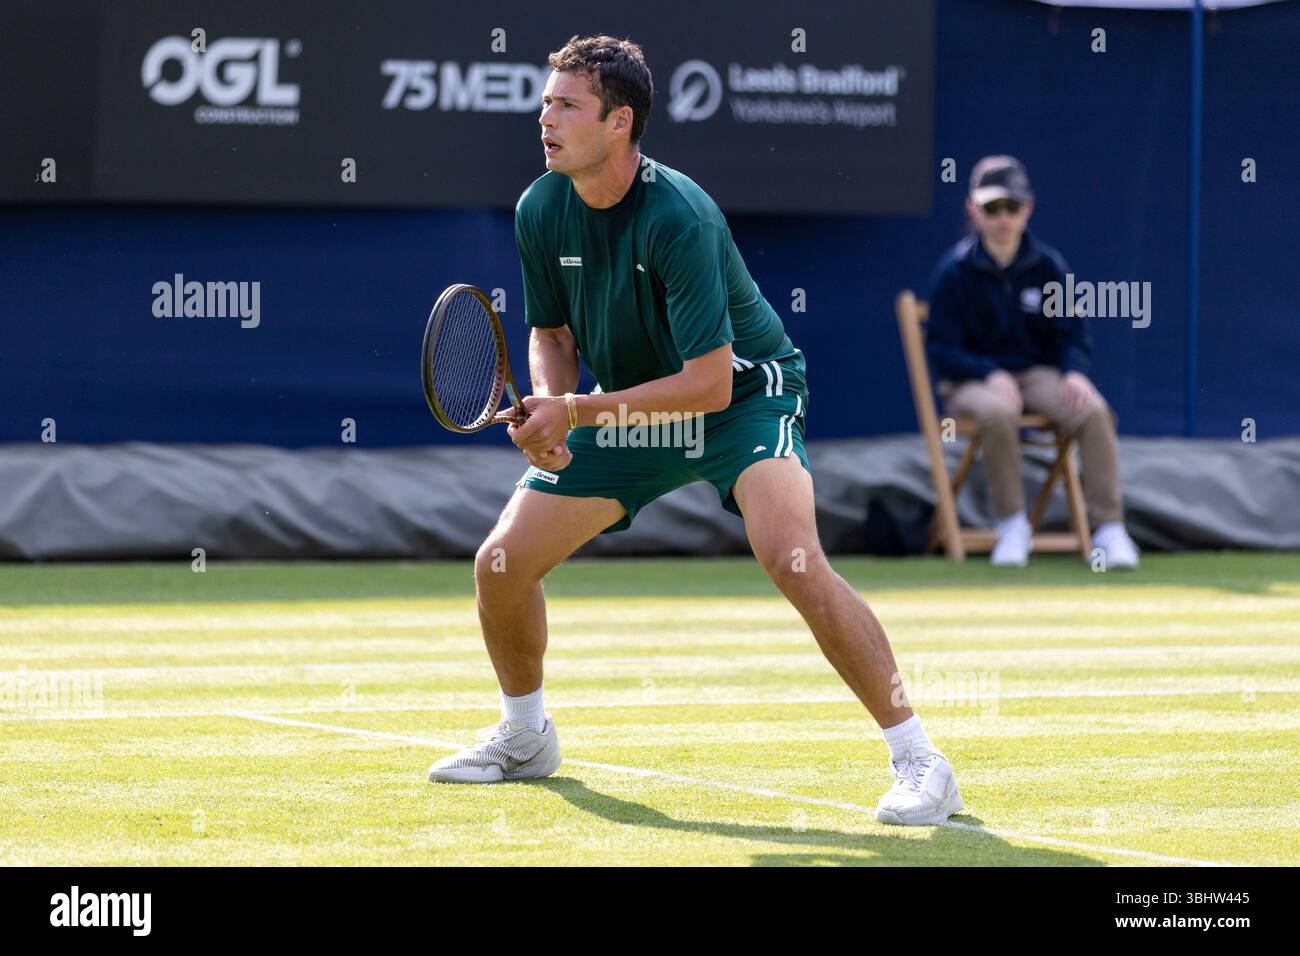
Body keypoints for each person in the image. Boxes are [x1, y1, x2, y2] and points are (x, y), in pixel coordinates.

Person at [427, 35, 963, 825]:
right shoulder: (541, 206)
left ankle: (920, 760)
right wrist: (548, 408)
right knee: (501, 567)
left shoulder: (681, 216)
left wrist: (572, 412)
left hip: (742, 401)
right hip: (633, 406)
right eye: (546, 102)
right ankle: (524, 734)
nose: (545, 117)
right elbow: (554, 335)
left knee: (792, 556)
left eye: (566, 104)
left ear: (619, 123)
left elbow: (709, 384)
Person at [925, 155, 1140, 568]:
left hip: (1035, 376)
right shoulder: (954, 272)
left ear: (1028, 207)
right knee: (998, 411)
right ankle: (1011, 524)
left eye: (1012, 206)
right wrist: (988, 372)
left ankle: (1110, 529)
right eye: (992, 207)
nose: (1003, 217)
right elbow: (940, 349)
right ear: (973, 209)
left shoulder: (1048, 266)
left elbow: (1072, 334)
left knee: (1093, 411)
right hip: (970, 380)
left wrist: (1075, 372)